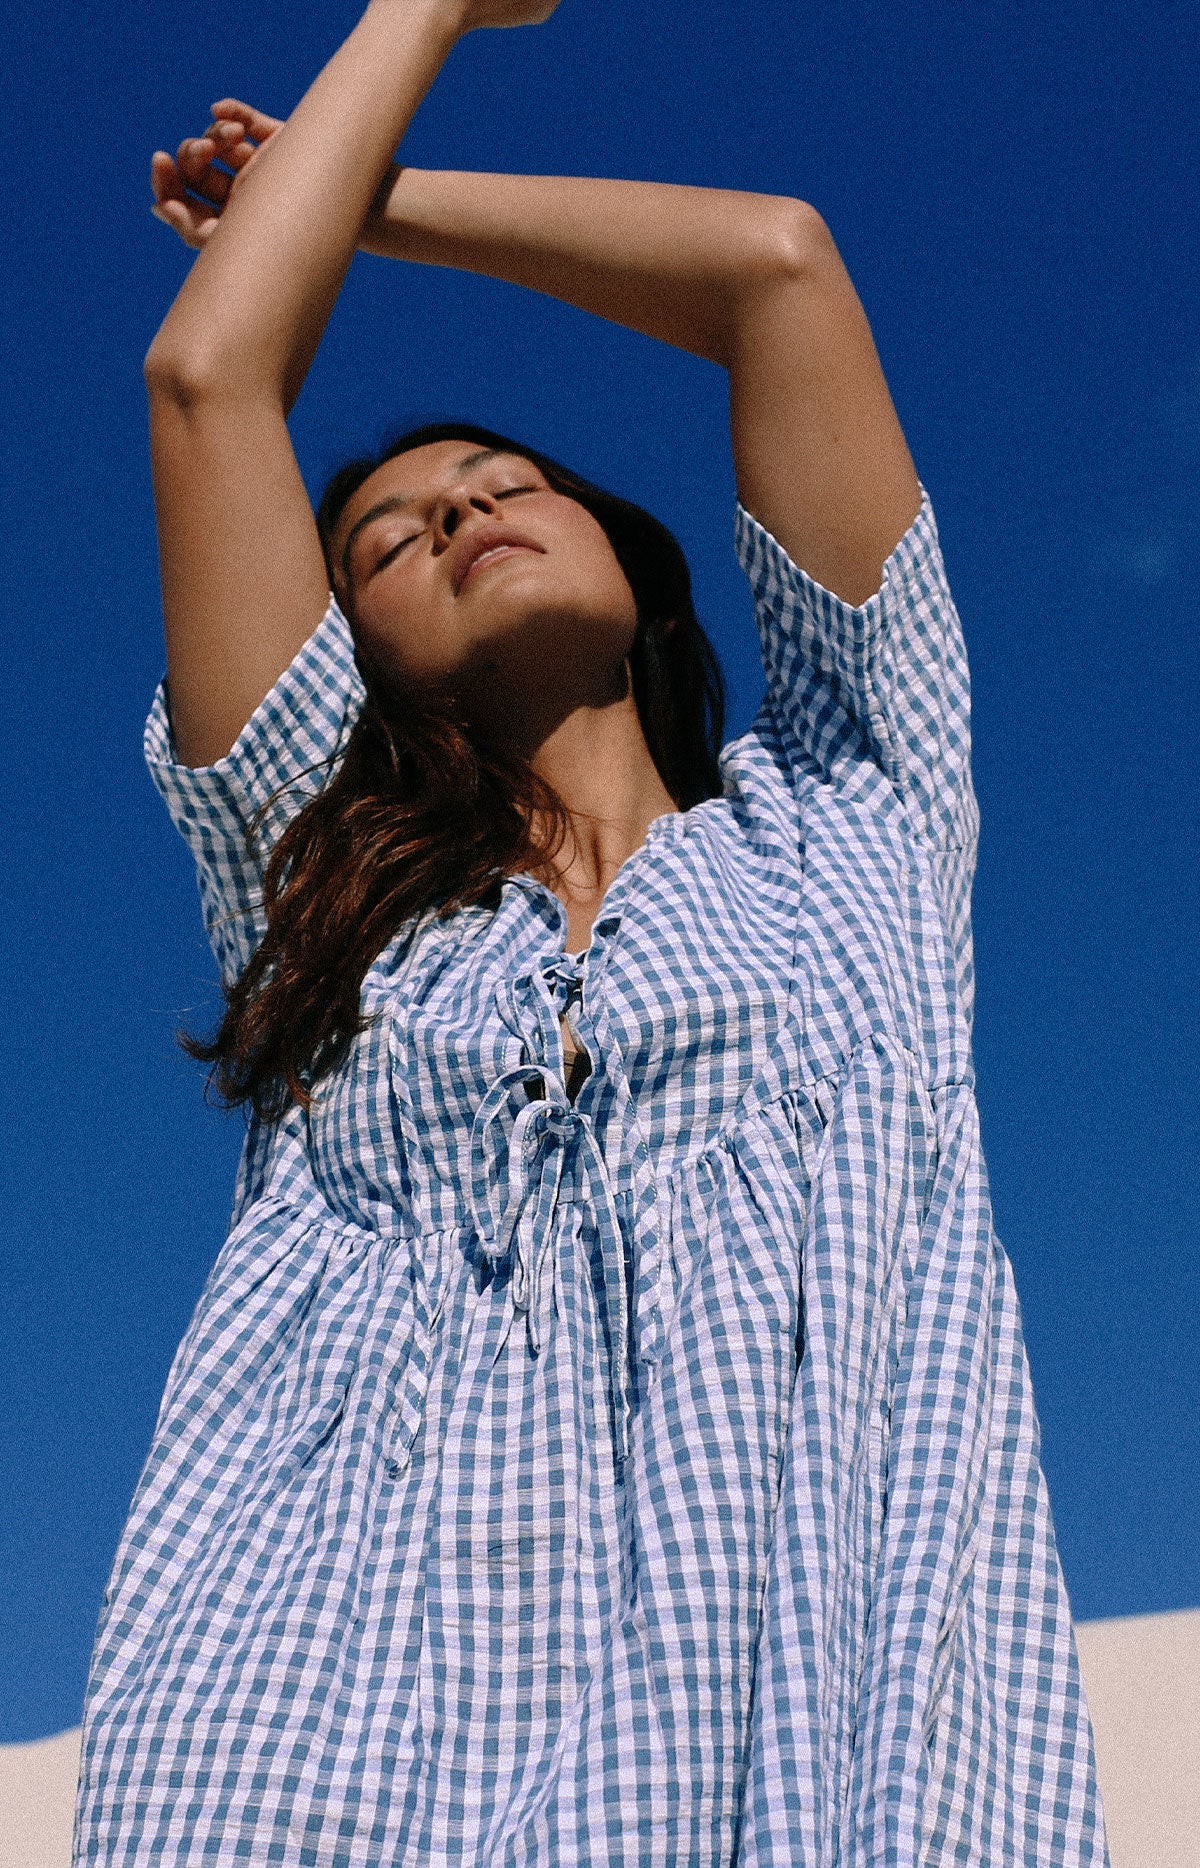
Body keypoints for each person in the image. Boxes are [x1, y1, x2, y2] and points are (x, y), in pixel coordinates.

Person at [74, 2, 1109, 1863]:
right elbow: (208, 382)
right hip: (302, 1760)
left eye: (508, 480)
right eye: (383, 539)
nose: (457, 504)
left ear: (638, 571)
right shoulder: (324, 907)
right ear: (350, 657)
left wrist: (367, 205)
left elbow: (775, 266)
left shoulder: (858, 818)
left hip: (804, 1757)